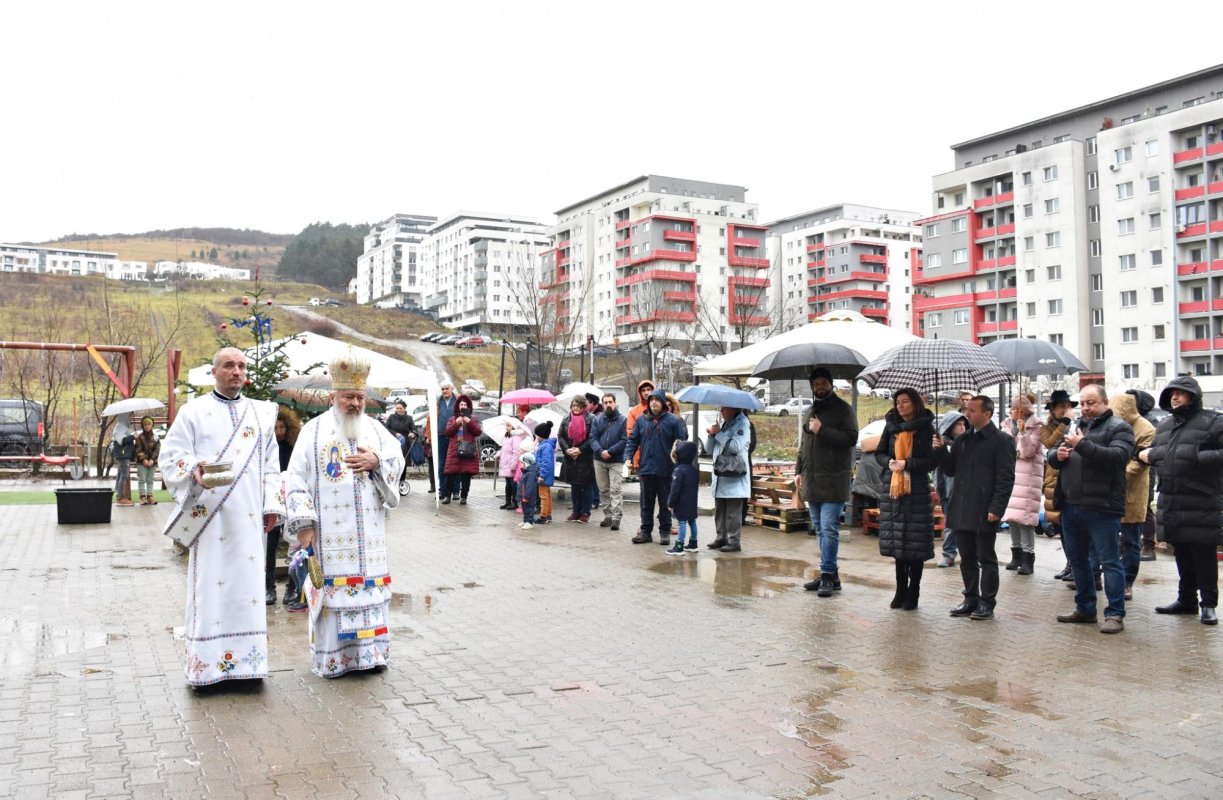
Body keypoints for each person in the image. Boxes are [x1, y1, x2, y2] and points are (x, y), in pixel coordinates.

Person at [158, 346, 285, 686]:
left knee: (248, 589)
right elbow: (170, 456)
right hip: (210, 518)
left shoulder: (261, 413)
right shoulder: (193, 412)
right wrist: (193, 468)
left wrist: (271, 506)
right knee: (209, 589)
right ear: (213, 372)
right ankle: (208, 668)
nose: (236, 371)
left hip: (248, 517)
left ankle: (247, 667)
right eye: (229, 365)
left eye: (242, 366)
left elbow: (271, 466)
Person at [285, 348, 404, 678]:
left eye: (360, 398)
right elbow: (295, 479)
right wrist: (304, 526)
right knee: (332, 597)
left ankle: (371, 656)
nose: (355, 403)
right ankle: (335, 661)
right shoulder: (313, 432)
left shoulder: (376, 430)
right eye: (348, 397)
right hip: (329, 537)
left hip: (369, 540)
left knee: (369, 592)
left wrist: (377, 462)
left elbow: (396, 460)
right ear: (332, 397)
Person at [1047, 384, 1133, 634]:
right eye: (1083, 403)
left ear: (1105, 403)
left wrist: (1081, 445)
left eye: (1091, 403)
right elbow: (1052, 452)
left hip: (1102, 508)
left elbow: (1118, 457)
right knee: (1078, 561)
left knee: (1110, 561)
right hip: (1071, 506)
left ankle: (1115, 614)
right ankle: (1085, 608)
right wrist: (1057, 455)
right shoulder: (1076, 426)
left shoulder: (1119, 427)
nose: (1085, 408)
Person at [1139, 376, 1223, 625]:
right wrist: (1147, 455)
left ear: (1193, 396)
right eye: (1171, 393)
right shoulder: (1165, 425)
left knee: (1204, 555)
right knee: (1182, 553)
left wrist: (1194, 456)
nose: (1174, 397)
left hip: (1202, 500)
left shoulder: (1214, 421)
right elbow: (1159, 453)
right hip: (1172, 499)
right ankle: (1186, 600)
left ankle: (1208, 604)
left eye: (1180, 393)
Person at [933, 395, 1015, 621]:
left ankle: (987, 602)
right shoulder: (962, 440)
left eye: (972, 410)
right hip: (961, 507)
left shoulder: (1002, 441)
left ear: (987, 414)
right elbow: (951, 470)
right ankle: (970, 598)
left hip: (984, 509)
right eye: (966, 410)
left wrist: (997, 508)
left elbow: (1006, 478)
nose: (966, 414)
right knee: (967, 557)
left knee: (986, 557)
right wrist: (940, 450)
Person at [795, 367, 858, 596]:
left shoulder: (844, 409)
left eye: (823, 383)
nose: (820, 387)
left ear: (831, 384)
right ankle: (830, 574)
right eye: (816, 384)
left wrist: (823, 430)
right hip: (812, 479)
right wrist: (799, 470)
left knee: (829, 529)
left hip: (834, 479)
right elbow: (804, 443)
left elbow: (851, 438)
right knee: (820, 530)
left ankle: (827, 575)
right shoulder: (811, 409)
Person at [875, 389, 937, 610]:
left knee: (915, 543)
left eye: (905, 402)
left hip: (916, 490)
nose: (900, 406)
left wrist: (908, 464)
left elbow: (932, 461)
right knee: (897, 541)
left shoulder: (926, 429)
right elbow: (879, 452)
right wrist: (889, 462)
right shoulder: (891, 426)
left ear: (915, 404)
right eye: (897, 402)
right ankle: (900, 589)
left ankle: (914, 591)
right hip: (892, 489)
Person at [624, 388, 688, 546]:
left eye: (657, 400)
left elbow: (681, 442)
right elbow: (633, 440)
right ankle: (645, 532)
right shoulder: (641, 420)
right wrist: (628, 457)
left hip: (666, 469)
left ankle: (665, 532)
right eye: (651, 400)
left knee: (665, 503)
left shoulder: (673, 421)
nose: (653, 403)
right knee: (646, 503)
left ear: (663, 403)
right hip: (646, 469)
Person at [1110, 391, 1155, 601]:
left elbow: (1140, 463)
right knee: (1109, 539)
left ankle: (1127, 581)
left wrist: (1112, 474)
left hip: (1133, 492)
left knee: (1131, 541)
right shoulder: (1113, 425)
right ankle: (1107, 577)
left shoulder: (1146, 429)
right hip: (1109, 493)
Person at [1001, 394, 1045, 576]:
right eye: (1012, 407)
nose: (1012, 411)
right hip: (1011, 475)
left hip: (1028, 478)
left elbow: (1027, 452)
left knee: (1025, 518)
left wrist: (1023, 432)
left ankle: (1028, 558)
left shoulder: (1037, 427)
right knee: (1012, 517)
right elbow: (1005, 449)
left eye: (1016, 408)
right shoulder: (1006, 425)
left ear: (1023, 410)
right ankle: (1016, 555)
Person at [706, 405, 752, 552]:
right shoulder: (725, 423)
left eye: (724, 409)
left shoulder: (743, 424)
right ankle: (721, 538)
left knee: (733, 512)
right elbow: (708, 449)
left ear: (734, 408)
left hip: (734, 475)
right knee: (720, 510)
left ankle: (734, 541)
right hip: (721, 474)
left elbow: (735, 447)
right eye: (721, 409)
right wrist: (711, 435)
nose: (721, 411)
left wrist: (719, 434)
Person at [267, 406, 301, 606]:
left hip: (291, 498)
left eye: (282, 427)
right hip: (272, 499)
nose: (279, 431)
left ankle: (292, 587)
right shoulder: (269, 446)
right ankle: (268, 587)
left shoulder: (295, 446)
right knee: (270, 544)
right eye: (275, 428)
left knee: (294, 544)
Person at [1042, 390, 1077, 579]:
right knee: (1061, 524)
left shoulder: (1077, 425)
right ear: (1053, 410)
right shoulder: (1045, 427)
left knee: (1072, 525)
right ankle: (1069, 563)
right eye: (1061, 406)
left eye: (1068, 406)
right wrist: (1065, 423)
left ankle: (1075, 564)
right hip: (1054, 480)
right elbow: (1050, 443)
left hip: (1072, 480)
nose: (1065, 409)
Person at [1127, 389, 1160, 562]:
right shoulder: (1128, 421)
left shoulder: (1148, 423)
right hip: (1131, 465)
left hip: (1146, 468)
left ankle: (1149, 546)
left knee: (1145, 506)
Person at [934, 410, 967, 568]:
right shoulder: (941, 445)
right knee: (951, 524)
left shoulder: (968, 444)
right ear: (950, 426)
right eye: (958, 424)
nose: (962, 427)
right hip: (949, 492)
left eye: (963, 424)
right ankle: (948, 554)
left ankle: (970, 555)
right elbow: (938, 474)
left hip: (965, 492)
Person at [591, 393, 627, 530]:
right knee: (603, 489)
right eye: (605, 402)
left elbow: (624, 440)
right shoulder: (597, 419)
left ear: (615, 403)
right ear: (602, 404)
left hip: (616, 460)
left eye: (610, 402)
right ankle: (608, 515)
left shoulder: (623, 420)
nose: (608, 405)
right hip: (599, 459)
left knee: (615, 489)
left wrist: (610, 451)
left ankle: (616, 517)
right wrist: (600, 451)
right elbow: (593, 438)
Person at [559, 395, 597, 523]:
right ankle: (576, 512)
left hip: (586, 458)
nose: (575, 408)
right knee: (574, 486)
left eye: (578, 405)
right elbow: (560, 436)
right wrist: (567, 450)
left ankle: (585, 512)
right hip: (570, 458)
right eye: (573, 405)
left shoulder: (591, 418)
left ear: (583, 406)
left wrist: (580, 450)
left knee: (586, 486)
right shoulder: (566, 419)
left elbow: (593, 437)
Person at [443, 394, 482, 504]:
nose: (463, 406)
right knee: (450, 474)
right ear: (458, 406)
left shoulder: (473, 419)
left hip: (468, 449)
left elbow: (478, 432)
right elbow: (447, 432)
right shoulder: (453, 419)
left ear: (468, 407)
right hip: (454, 449)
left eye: (465, 404)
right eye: (461, 404)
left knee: (466, 475)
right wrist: (456, 423)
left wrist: (469, 422)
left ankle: (464, 496)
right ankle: (447, 496)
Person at [666, 440, 700, 554]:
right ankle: (693, 543)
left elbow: (675, 490)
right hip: (692, 502)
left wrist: (671, 504)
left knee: (682, 523)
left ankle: (679, 546)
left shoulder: (679, 470)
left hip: (681, 502)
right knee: (692, 522)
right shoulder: (694, 469)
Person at [498, 405, 531, 511]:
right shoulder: (507, 436)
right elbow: (505, 449)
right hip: (506, 464)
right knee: (508, 484)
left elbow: (516, 452)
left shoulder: (516, 437)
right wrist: (499, 454)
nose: (506, 427)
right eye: (506, 425)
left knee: (513, 484)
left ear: (513, 427)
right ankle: (507, 501)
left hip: (511, 465)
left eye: (509, 425)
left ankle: (514, 502)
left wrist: (513, 465)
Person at [624, 379, 655, 473]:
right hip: (641, 458)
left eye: (648, 389)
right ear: (640, 393)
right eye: (643, 390)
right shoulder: (634, 411)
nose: (646, 392)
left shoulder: (660, 408)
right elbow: (631, 435)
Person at [384, 400, 417, 481]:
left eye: (400, 408)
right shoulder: (391, 417)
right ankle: (393, 480)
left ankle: (402, 481)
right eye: (397, 408)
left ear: (404, 409)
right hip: (393, 443)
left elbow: (414, 430)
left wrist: (413, 434)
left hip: (405, 444)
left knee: (403, 463)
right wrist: (395, 433)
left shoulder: (409, 418)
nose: (398, 410)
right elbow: (386, 429)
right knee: (394, 463)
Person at [436, 382, 458, 500]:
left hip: (455, 436)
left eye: (446, 388)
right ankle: (442, 490)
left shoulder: (458, 400)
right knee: (441, 465)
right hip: (440, 436)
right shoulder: (437, 401)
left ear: (452, 388)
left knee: (455, 464)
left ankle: (456, 491)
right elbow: (432, 418)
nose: (444, 391)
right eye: (442, 389)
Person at [134, 415, 160, 506]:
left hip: (152, 463)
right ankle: (142, 497)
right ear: (142, 425)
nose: (147, 426)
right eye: (145, 424)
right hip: (142, 463)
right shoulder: (139, 437)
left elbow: (157, 449)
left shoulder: (156, 437)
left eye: (149, 424)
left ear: (152, 425)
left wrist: (152, 459)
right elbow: (138, 449)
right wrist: (144, 459)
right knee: (142, 479)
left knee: (150, 480)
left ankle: (149, 496)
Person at [534, 421, 556, 524]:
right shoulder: (546, 445)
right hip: (546, 475)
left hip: (543, 476)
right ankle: (548, 514)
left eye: (536, 435)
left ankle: (543, 516)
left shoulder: (545, 446)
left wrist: (542, 475)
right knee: (547, 495)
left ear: (541, 435)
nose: (536, 437)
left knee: (543, 496)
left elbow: (546, 463)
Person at [112, 413, 136, 507]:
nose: (131, 417)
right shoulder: (120, 427)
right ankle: (121, 497)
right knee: (124, 475)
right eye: (129, 415)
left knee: (120, 474)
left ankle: (119, 495)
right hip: (123, 454)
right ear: (124, 416)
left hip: (123, 454)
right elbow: (122, 441)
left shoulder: (123, 426)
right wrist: (133, 436)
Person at [518, 451, 539, 530]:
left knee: (529, 508)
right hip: (524, 495)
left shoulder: (531, 474)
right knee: (525, 508)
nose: (520, 464)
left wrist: (526, 496)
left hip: (529, 496)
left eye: (522, 462)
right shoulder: (525, 472)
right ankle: (525, 521)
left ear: (527, 463)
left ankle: (529, 522)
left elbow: (529, 486)